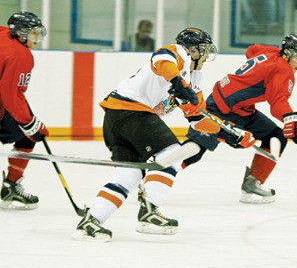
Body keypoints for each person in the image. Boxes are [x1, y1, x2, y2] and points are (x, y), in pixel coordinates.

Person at [72, 28, 255, 242]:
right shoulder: (179, 53)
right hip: (131, 111)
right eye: (204, 50)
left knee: (128, 177)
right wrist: (177, 81)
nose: (206, 57)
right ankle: (150, 211)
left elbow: (197, 118)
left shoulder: (196, 78)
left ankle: (91, 222)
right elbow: (161, 58)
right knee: (173, 154)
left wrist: (226, 133)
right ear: (193, 49)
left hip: (118, 119)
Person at [180, 34, 297, 204]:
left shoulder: (271, 52)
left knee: (274, 136)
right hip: (223, 109)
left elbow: (252, 50)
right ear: (287, 54)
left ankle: (252, 183)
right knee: (195, 149)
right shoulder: (283, 71)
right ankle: (155, 176)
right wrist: (292, 118)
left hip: (234, 106)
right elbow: (278, 103)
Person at [0, 11, 49, 211]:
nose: (36, 38)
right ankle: (11, 186)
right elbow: (10, 94)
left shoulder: (3, 33)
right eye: (33, 34)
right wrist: (29, 123)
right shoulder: (21, 55)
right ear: (20, 34)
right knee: (29, 137)